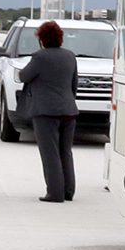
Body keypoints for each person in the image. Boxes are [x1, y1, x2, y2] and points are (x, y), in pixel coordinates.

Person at [20, 19, 80, 202]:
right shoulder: (70, 56)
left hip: (46, 112)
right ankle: (68, 191)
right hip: (69, 110)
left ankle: (55, 193)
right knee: (65, 151)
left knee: (50, 153)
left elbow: (24, 76)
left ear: (42, 39)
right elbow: (74, 84)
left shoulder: (40, 56)